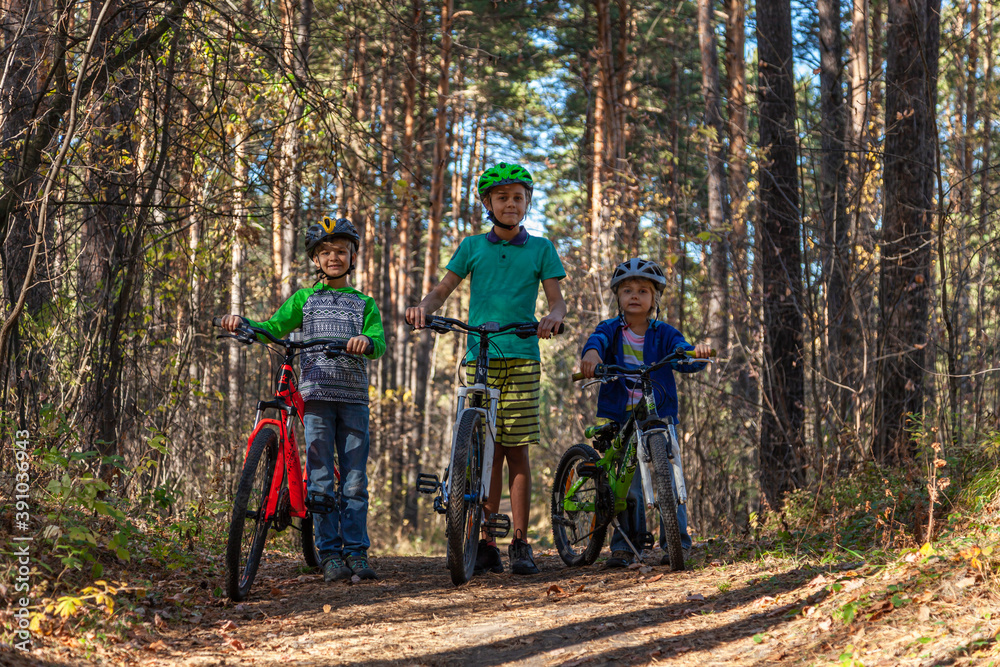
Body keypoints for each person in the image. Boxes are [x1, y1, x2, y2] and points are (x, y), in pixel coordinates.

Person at [406, 163, 566, 576]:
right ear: (488, 204)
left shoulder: (542, 249)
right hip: (480, 356)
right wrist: (424, 309)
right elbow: (444, 288)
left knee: (516, 451)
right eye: (502, 198)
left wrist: (551, 318)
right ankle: (484, 541)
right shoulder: (473, 246)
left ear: (527, 202)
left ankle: (521, 542)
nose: (511, 204)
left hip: (523, 355)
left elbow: (557, 301)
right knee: (485, 451)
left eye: (518, 197)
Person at [220, 216, 385, 582]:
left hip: (353, 400)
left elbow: (378, 341)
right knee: (321, 475)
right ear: (315, 260)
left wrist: (367, 341)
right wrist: (245, 324)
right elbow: (275, 327)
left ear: (352, 255)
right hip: (316, 399)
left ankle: (357, 552)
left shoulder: (364, 303)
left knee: (355, 479)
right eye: (325, 253)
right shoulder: (304, 300)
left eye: (341, 251)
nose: (334, 258)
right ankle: (329, 555)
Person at [578, 258, 711, 568]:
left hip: (659, 414)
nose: (634, 296)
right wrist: (592, 355)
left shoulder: (663, 332)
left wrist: (697, 353)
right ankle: (625, 545)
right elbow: (596, 342)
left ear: (655, 299)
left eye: (642, 290)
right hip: (622, 416)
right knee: (628, 482)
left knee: (672, 472)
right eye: (627, 290)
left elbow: (682, 354)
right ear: (618, 297)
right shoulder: (610, 329)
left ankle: (676, 541)